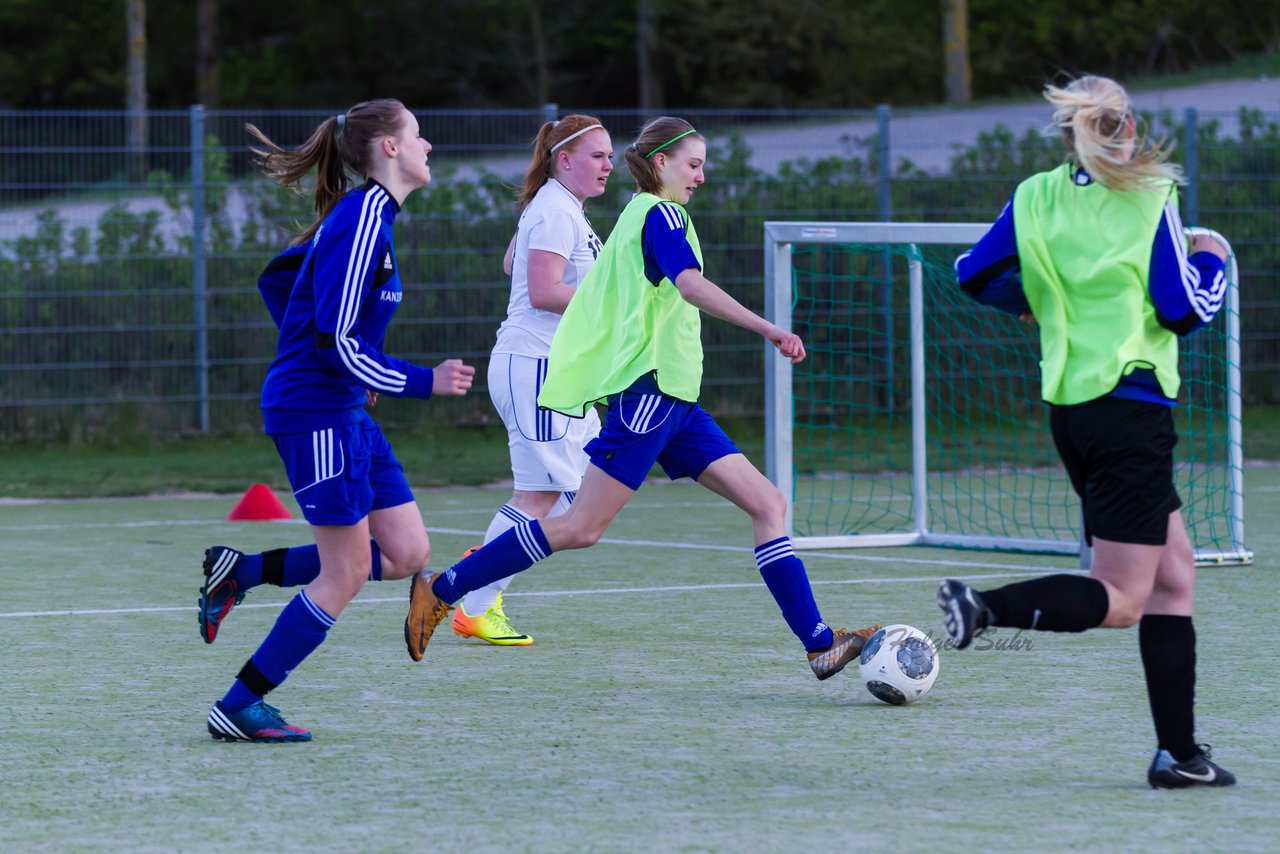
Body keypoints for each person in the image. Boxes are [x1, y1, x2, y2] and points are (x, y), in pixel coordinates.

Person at [403, 116, 880, 678]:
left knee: (767, 504)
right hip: (652, 395)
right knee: (579, 525)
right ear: (662, 164)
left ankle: (819, 643)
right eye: (694, 165)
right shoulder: (660, 213)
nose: (701, 177)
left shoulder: (628, 216)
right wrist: (769, 328)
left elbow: (558, 272)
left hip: (678, 401)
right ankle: (444, 588)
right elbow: (689, 284)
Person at [938, 75, 1234, 788]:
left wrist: (1031, 301)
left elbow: (971, 273)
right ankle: (985, 607)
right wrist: (1213, 256)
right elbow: (1182, 308)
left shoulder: (1035, 194)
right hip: (1131, 408)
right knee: (1125, 598)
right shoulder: (1151, 195)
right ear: (1126, 127)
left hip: (1073, 411)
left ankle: (1180, 756)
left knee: (1175, 572)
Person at [197, 99, 475, 742]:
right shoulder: (362, 219)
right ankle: (239, 704)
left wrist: (357, 370)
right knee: (346, 571)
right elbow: (334, 337)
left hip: (339, 406)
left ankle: (240, 572)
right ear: (388, 149)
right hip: (315, 413)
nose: (428, 144)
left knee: (406, 552)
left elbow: (279, 283)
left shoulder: (366, 218)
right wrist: (417, 380)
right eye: (417, 134)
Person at [451, 115, 614, 647]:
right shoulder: (553, 211)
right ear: (563, 160)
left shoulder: (556, 209)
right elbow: (543, 291)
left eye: (611, 156)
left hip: (556, 371)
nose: (609, 165)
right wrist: (615, 311)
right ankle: (474, 599)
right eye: (598, 155)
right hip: (536, 369)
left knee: (576, 496)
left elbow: (511, 266)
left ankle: (485, 566)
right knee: (550, 499)